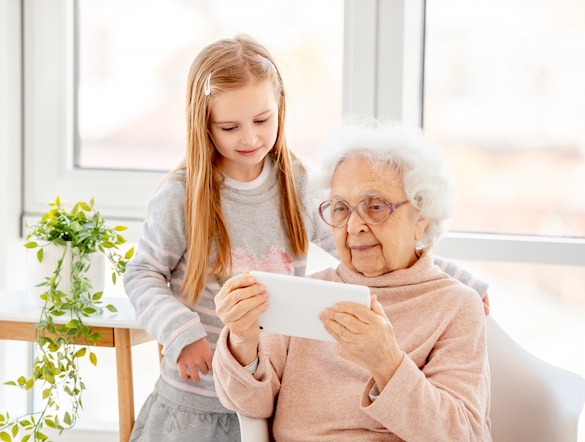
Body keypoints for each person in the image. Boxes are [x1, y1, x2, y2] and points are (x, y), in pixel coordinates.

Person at [124, 34, 488, 441]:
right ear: (203, 125)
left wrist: (462, 284)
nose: (249, 139)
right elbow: (142, 274)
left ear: (280, 109)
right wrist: (182, 335)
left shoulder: (294, 185)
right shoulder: (183, 196)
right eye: (230, 127)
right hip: (198, 390)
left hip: (255, 388)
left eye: (262, 121)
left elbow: (366, 246)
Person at [212, 119, 492, 441]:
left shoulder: (456, 306)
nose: (354, 226)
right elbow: (250, 406)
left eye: (375, 206)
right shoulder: (305, 293)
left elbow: (464, 435)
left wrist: (388, 364)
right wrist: (243, 341)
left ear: (421, 217)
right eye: (341, 208)